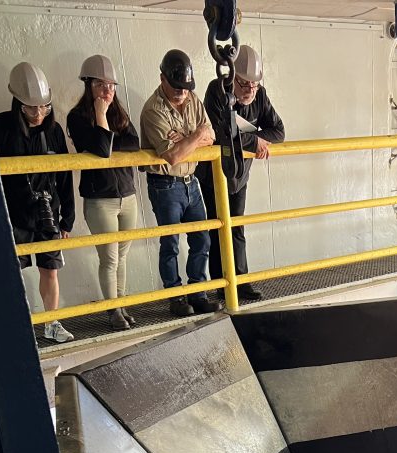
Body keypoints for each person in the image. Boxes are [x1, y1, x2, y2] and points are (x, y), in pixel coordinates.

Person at [0, 63, 75, 343]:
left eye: (44, 107)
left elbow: (64, 176)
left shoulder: (54, 130)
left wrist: (67, 218)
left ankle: (51, 323)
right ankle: (15, 326)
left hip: (47, 210)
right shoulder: (0, 127)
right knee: (12, 273)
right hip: (13, 213)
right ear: (18, 103)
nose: (39, 114)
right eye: (31, 108)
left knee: (50, 269)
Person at [201, 45, 285, 302]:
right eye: (244, 84)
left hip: (240, 174)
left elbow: (278, 131)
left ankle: (241, 281)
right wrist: (253, 142)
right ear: (232, 77)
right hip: (214, 173)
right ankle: (221, 284)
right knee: (217, 227)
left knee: (236, 227)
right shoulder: (216, 91)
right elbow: (218, 132)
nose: (250, 90)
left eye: (255, 85)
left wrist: (252, 139)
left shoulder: (259, 95)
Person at [139, 49, 220, 317]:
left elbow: (212, 135)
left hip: (191, 181)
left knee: (202, 239)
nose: (181, 93)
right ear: (162, 79)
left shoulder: (194, 100)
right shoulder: (153, 110)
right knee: (171, 243)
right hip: (165, 184)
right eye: (176, 87)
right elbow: (172, 156)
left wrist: (188, 138)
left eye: (185, 88)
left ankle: (198, 293)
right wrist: (196, 135)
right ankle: (175, 297)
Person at [67, 55, 140, 332]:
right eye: (100, 84)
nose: (107, 91)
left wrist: (111, 135)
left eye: (111, 85)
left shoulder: (119, 113)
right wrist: (100, 115)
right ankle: (112, 311)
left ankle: (120, 305)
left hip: (127, 195)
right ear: (88, 85)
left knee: (122, 256)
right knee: (109, 258)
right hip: (100, 200)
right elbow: (101, 148)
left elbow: (133, 143)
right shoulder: (77, 117)